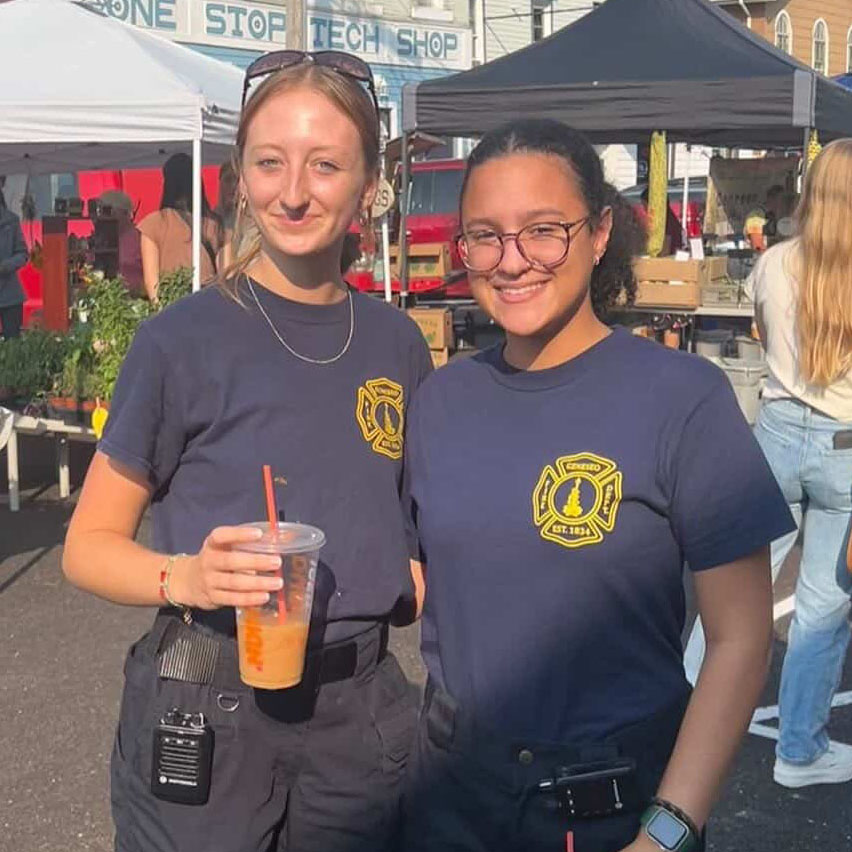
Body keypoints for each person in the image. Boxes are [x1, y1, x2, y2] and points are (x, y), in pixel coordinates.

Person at [63, 50, 431, 852]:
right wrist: (184, 575)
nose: (293, 191)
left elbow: (401, 517)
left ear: (370, 185)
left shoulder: (398, 345)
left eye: (325, 165)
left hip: (359, 717)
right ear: (239, 177)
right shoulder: (179, 342)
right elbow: (86, 548)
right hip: (210, 701)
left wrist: (409, 564)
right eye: (270, 163)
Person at [401, 119, 795, 852]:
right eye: (484, 236)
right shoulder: (440, 400)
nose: (512, 260)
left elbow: (741, 639)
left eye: (544, 229)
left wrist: (670, 829)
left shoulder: (685, 397)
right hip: (450, 804)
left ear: (599, 231)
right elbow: (428, 581)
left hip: (614, 811)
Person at [747, 139, 852, 789]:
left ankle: (678, 724)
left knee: (735, 598)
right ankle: (799, 751)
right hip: (845, 446)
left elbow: (760, 331)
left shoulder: (775, 263)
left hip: (777, 432)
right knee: (820, 609)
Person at [138, 153, 221, 300]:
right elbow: (226, 273)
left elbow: (151, 282)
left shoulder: (153, 223)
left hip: (173, 302)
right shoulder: (214, 222)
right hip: (210, 299)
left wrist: (159, 311)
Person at [97, 190, 144, 296]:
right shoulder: (98, 240)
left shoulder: (141, 240)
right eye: (99, 211)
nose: (101, 216)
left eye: (107, 211)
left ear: (125, 213)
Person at [0, 176, 28, 339]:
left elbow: (23, 254)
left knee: (13, 346)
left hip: (10, 295)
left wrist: (5, 266)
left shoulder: (11, 220)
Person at [744, 184, 784, 252]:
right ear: (772, 198)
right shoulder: (756, 215)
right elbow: (757, 245)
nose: (783, 204)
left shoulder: (778, 217)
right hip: (760, 258)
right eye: (782, 200)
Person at [215, 159, 239, 271]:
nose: (233, 186)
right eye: (228, 180)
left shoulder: (252, 220)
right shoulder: (211, 218)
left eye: (237, 180)